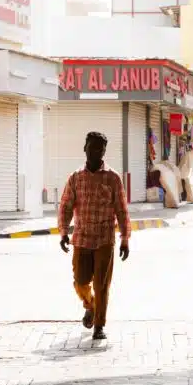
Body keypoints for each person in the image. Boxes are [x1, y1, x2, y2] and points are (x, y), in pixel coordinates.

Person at [58, 131, 131, 341]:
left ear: (104, 152)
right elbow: (66, 206)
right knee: (80, 281)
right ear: (85, 148)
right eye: (92, 147)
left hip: (105, 239)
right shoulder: (75, 178)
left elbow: (122, 210)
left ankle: (99, 325)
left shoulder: (113, 178)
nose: (96, 152)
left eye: (100, 149)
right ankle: (90, 305)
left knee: (102, 285)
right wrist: (64, 231)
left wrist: (125, 238)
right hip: (81, 238)